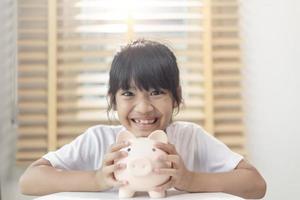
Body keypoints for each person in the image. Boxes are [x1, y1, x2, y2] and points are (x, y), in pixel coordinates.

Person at [19, 39, 266, 199]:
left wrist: (190, 179)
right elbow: (29, 182)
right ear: (113, 100)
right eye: (128, 93)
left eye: (157, 92)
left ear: (176, 97)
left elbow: (256, 185)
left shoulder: (191, 137)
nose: (144, 107)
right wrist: (97, 179)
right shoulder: (97, 139)